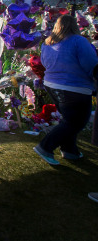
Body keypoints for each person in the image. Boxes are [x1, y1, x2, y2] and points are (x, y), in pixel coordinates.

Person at [33, 15, 98, 165]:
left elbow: (44, 63)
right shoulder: (78, 41)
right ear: (74, 25)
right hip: (74, 87)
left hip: (52, 85)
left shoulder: (48, 43)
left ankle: (69, 150)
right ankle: (45, 147)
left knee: (69, 119)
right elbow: (90, 64)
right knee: (76, 122)